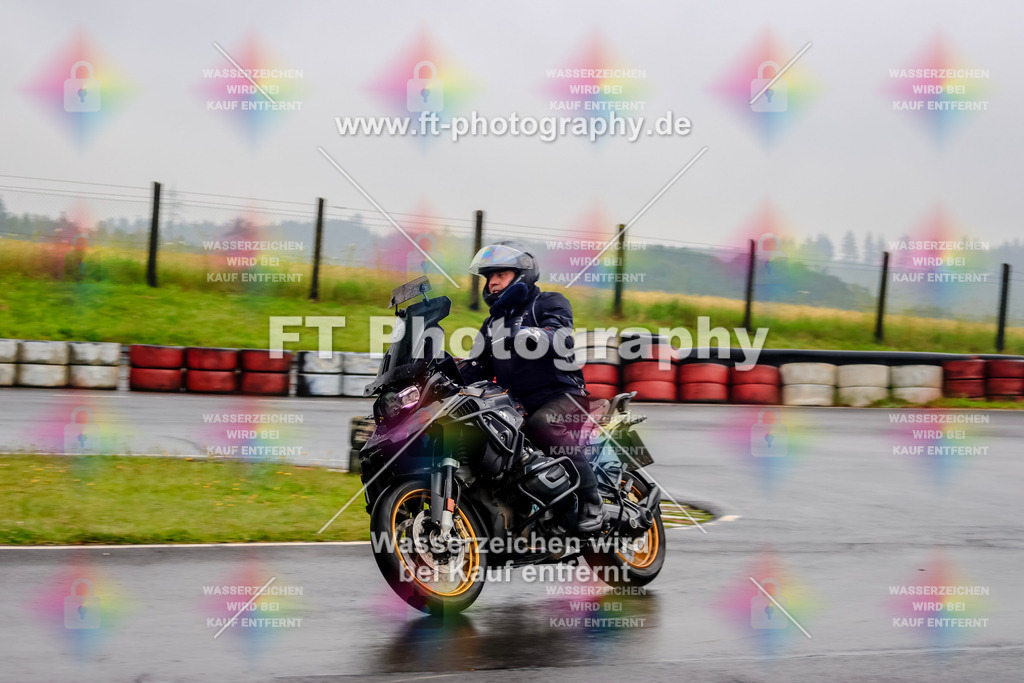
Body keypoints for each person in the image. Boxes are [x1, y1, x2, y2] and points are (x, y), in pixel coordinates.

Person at [461, 240, 606, 533]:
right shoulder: (492, 324)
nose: (492, 283)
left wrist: (533, 334)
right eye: (489, 277)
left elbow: (561, 335)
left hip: (563, 396)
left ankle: (593, 501)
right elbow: (475, 368)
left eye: (500, 274)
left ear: (521, 273)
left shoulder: (547, 302)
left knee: (543, 425)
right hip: (516, 406)